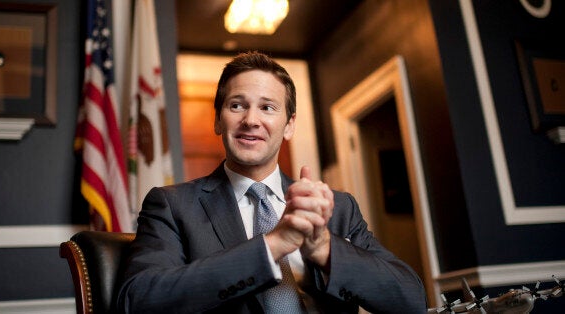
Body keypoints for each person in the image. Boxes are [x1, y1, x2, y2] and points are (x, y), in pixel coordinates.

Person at [117, 51, 426, 313]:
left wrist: (324, 248)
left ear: (289, 125)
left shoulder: (339, 208)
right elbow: (138, 299)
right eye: (237, 105)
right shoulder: (172, 205)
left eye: (267, 107)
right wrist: (273, 245)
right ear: (217, 120)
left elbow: (410, 299)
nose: (251, 119)